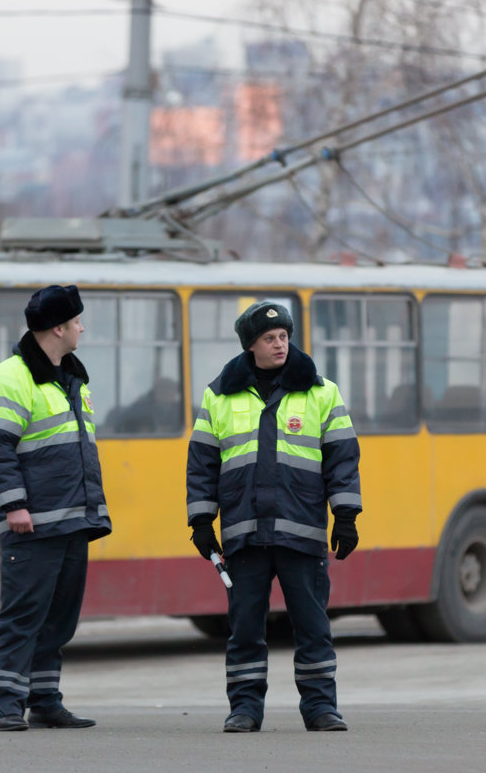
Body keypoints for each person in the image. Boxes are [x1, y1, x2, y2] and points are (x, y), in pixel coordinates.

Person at [186, 301, 362, 733]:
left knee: (312, 624)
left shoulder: (323, 392)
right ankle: (244, 709)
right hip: (244, 534)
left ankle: (321, 708)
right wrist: (202, 521)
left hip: (301, 532)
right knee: (245, 627)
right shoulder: (219, 395)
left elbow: (343, 458)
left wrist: (346, 514)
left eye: (284, 336)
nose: (280, 344)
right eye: (270, 338)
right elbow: (202, 463)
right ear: (251, 346)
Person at [0, 284, 112, 732]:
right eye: (76, 322)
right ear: (58, 328)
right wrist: (14, 505)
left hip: (73, 518)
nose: (81, 328)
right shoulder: (10, 377)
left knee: (59, 617)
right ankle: (6, 706)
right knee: (22, 615)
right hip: (32, 524)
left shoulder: (72, 377)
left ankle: (45, 700)